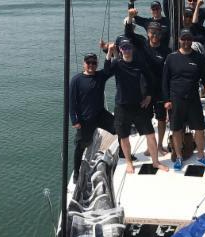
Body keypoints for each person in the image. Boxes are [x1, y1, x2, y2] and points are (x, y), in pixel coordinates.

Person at [104, 39, 168, 174]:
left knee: (150, 135)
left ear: (132, 49)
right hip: (122, 106)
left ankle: (155, 162)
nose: (126, 50)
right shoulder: (117, 64)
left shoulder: (140, 64)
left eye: (128, 47)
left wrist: (149, 96)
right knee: (124, 137)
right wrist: (109, 52)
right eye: (123, 48)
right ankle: (129, 162)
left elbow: (150, 79)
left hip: (139, 105)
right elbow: (106, 72)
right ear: (120, 50)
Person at [162, 28, 205, 171]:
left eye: (189, 39)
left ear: (192, 40)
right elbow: (164, 81)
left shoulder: (199, 58)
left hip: (193, 99)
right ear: (179, 40)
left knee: (199, 129)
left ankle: (201, 155)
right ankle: (178, 156)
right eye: (184, 39)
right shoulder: (171, 58)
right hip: (176, 100)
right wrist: (166, 100)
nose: (186, 41)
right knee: (176, 130)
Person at [124, 19, 169, 158]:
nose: (154, 35)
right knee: (147, 119)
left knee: (161, 118)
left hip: (160, 90)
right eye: (151, 32)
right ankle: (151, 146)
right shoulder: (142, 45)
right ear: (148, 33)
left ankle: (160, 144)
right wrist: (129, 18)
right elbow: (129, 34)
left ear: (160, 34)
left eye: (157, 32)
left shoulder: (166, 51)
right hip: (145, 90)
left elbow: (170, 73)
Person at [69, 52, 115, 182]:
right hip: (85, 119)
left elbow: (109, 70)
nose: (91, 65)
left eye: (94, 63)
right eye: (88, 63)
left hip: (100, 115)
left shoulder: (100, 76)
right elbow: (72, 102)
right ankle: (77, 172)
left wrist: (109, 54)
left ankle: (123, 154)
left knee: (120, 128)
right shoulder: (76, 80)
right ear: (84, 64)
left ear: (97, 64)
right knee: (80, 146)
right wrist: (75, 120)